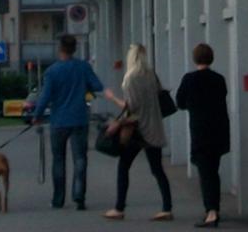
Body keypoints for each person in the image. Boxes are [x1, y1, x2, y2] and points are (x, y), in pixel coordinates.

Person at [29, 34, 121, 211]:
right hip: (79, 119)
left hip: (59, 121)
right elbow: (97, 86)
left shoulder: (52, 71)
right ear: (74, 49)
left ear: (60, 49)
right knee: (80, 158)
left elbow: (45, 96)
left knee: (58, 159)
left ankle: (58, 199)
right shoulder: (83, 67)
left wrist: (37, 115)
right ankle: (79, 196)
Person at [106, 43, 173, 221]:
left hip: (137, 130)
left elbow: (131, 107)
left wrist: (113, 99)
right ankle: (167, 208)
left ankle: (119, 208)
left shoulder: (130, 78)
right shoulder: (151, 75)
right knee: (157, 169)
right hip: (153, 127)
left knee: (124, 166)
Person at [175, 45, 229, 228]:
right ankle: (214, 208)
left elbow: (180, 102)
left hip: (200, 131)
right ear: (211, 58)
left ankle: (211, 212)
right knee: (213, 170)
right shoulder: (219, 79)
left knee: (206, 173)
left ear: (195, 58)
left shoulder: (189, 79)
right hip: (219, 130)